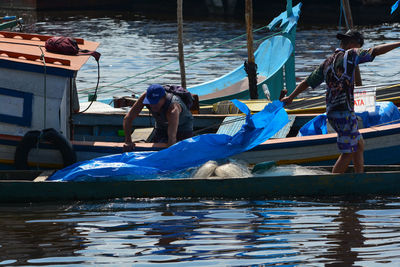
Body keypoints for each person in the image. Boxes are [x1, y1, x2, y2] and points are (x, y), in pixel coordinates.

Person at [281, 30, 400, 173]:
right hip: (343, 113)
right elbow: (376, 51)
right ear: (352, 44)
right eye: (359, 45)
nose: (360, 48)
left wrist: (291, 97)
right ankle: (334, 183)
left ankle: (359, 177)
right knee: (348, 152)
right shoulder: (352, 54)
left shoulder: (327, 62)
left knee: (359, 144)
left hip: (332, 112)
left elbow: (307, 82)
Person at [123, 84, 193, 151]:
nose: (152, 105)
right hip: (161, 125)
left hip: (183, 126)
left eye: (155, 102)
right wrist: (128, 141)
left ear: (164, 98)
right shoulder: (146, 96)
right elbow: (128, 118)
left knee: (182, 149)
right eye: (150, 102)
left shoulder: (173, 110)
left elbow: (172, 139)